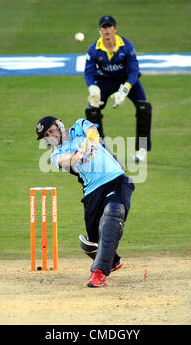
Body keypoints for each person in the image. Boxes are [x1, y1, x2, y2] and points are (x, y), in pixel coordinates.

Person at [36, 115, 135, 287]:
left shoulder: (78, 126)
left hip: (114, 178)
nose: (50, 136)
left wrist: (88, 144)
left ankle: (98, 273)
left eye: (51, 131)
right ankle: (113, 261)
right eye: (46, 136)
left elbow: (93, 133)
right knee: (93, 242)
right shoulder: (55, 154)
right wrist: (79, 155)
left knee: (112, 216)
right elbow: (65, 161)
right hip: (91, 192)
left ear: (59, 125)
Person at [84, 15, 152, 162]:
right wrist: (92, 88)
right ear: (99, 30)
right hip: (105, 81)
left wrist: (125, 89)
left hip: (126, 80)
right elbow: (89, 72)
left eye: (109, 27)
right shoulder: (93, 49)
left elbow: (134, 71)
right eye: (104, 27)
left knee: (143, 107)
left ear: (115, 29)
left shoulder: (126, 46)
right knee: (92, 110)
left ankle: (142, 148)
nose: (107, 30)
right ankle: (100, 148)